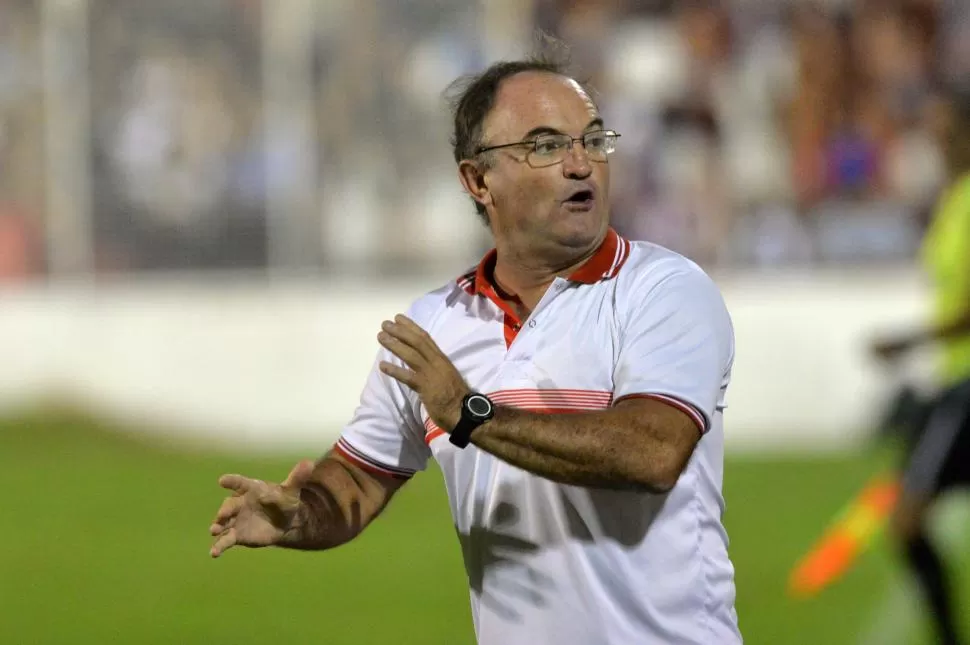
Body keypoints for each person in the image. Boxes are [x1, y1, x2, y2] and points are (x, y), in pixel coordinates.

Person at [208, 52, 741, 645]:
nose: (578, 164)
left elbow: (651, 452)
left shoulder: (664, 290)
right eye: (544, 145)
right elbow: (356, 483)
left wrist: (469, 413)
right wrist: (300, 516)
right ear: (478, 180)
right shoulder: (435, 324)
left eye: (592, 140)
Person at [870, 91, 970, 645]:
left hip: (966, 387)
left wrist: (908, 341)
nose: (936, 140)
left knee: (907, 518)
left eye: (946, 129)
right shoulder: (953, 200)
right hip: (954, 382)